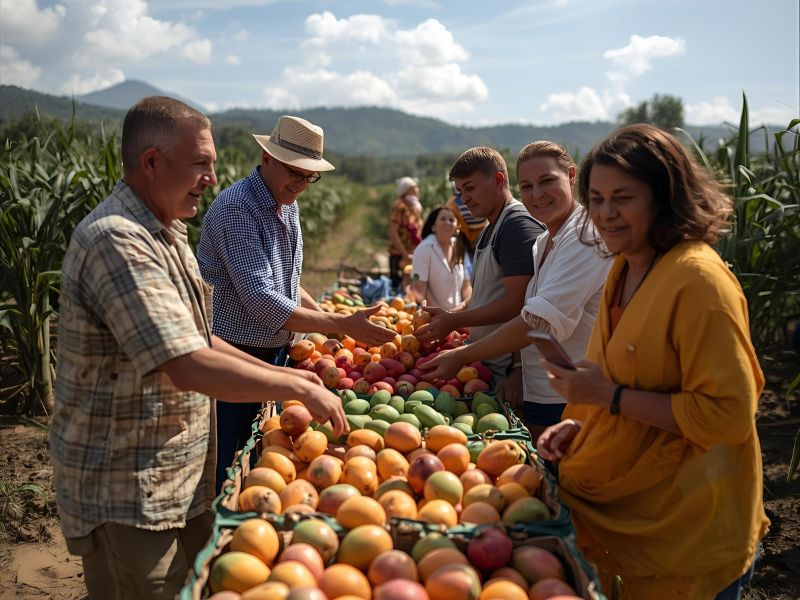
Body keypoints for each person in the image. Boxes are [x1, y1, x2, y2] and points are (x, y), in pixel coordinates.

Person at [49, 97, 348, 600]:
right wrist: (292, 380)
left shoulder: (167, 232)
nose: (212, 177)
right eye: (201, 164)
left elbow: (197, 335)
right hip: (128, 486)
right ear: (151, 163)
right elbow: (184, 362)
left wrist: (295, 377)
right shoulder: (118, 241)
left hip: (177, 474)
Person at [537, 124, 769, 599]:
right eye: (596, 198)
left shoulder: (699, 281)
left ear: (665, 197)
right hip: (640, 509)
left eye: (623, 197)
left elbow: (725, 416)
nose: (605, 214)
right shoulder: (626, 265)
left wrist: (610, 398)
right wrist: (584, 420)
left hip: (692, 524)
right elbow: (628, 374)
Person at [197, 115, 394, 492]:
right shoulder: (240, 209)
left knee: (262, 453)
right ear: (266, 158)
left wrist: (329, 322)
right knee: (229, 462)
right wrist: (339, 323)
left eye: (309, 176)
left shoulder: (285, 202)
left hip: (274, 349)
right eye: (294, 172)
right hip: (235, 352)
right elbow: (261, 300)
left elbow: (286, 282)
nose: (301, 184)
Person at [420, 142, 611, 440]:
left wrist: (464, 352)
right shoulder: (543, 241)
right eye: (527, 186)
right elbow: (528, 307)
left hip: (572, 399)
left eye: (547, 181)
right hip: (544, 393)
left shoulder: (584, 236)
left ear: (571, 176)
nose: (536, 194)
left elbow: (537, 320)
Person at [415, 147, 545, 388]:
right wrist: (454, 314)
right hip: (489, 366)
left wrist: (454, 321)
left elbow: (519, 304)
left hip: (513, 371)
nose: (464, 198)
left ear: (498, 180)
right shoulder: (489, 230)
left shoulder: (517, 227)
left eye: (470, 188)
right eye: (460, 191)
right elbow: (488, 293)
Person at [410, 205, 472, 310]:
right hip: (432, 317)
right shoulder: (423, 249)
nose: (447, 222)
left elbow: (466, 286)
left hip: (459, 317)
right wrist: (439, 313)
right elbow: (419, 290)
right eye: (443, 219)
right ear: (433, 226)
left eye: (451, 220)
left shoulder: (459, 247)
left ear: (457, 226)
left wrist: (465, 307)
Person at [388, 176, 424, 291]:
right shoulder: (400, 207)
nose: (418, 190)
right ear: (407, 190)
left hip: (413, 253)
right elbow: (393, 232)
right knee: (399, 287)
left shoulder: (414, 207)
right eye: (415, 187)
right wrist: (404, 254)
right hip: (400, 254)